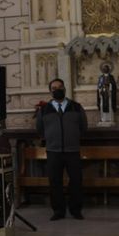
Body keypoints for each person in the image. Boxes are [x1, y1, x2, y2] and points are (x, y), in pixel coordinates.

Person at [36, 78, 88, 221]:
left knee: (76, 181)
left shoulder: (76, 107)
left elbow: (84, 127)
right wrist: (51, 139)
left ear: (64, 89)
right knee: (55, 182)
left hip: (72, 150)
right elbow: (40, 129)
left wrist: (73, 138)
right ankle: (58, 211)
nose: (57, 89)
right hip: (53, 151)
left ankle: (76, 210)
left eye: (60, 87)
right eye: (54, 88)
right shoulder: (44, 109)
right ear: (50, 91)